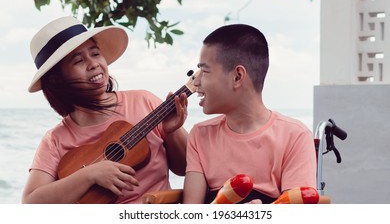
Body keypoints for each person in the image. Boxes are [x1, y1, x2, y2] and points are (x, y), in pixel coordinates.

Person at [22, 16, 188, 204]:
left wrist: (172, 132)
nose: (93, 64)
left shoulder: (144, 101)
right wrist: (89, 174)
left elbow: (186, 168)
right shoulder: (55, 140)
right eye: (78, 61)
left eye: (95, 53)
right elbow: (30, 203)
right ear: (57, 79)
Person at [183, 24, 317, 204]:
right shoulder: (200, 135)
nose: (196, 82)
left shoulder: (295, 136)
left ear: (237, 76)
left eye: (205, 72)